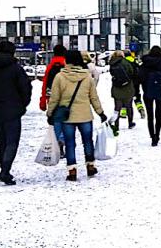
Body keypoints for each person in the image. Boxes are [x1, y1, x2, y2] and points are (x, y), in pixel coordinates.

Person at [47, 50, 106, 182]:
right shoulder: (87, 77)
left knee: (69, 143)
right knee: (87, 141)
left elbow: (54, 99)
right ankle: (90, 165)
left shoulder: (60, 77)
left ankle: (72, 170)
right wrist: (100, 112)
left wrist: (50, 113)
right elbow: (93, 97)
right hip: (85, 115)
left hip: (67, 117)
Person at [0, 40, 32, 186]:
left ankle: (4, 169)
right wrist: (23, 104)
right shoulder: (16, 68)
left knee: (2, 141)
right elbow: (25, 88)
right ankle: (5, 171)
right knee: (12, 141)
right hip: (13, 110)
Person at [138, 46, 161, 146]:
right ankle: (157, 135)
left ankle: (152, 136)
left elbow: (140, 77)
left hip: (147, 92)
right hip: (160, 91)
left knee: (150, 116)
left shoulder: (145, 63)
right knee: (158, 115)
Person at [38, 44, 67, 145]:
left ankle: (58, 140)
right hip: (66, 97)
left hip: (52, 97)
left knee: (56, 120)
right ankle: (62, 140)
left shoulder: (50, 66)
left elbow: (45, 84)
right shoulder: (66, 66)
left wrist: (43, 101)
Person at [108, 50, 137, 133]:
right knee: (129, 106)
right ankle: (130, 123)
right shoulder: (126, 62)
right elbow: (132, 72)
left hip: (116, 87)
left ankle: (116, 125)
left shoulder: (112, 63)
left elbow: (112, 74)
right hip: (127, 86)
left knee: (117, 107)